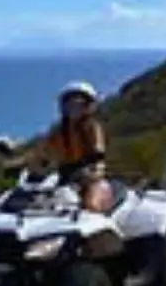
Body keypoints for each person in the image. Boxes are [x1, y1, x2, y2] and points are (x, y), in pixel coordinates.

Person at [25, 81, 114, 212]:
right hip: (64, 177)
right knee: (44, 205)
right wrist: (29, 167)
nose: (74, 107)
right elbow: (41, 152)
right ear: (63, 107)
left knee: (91, 206)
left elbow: (98, 151)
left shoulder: (92, 126)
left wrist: (93, 166)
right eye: (70, 104)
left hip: (90, 176)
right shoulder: (57, 131)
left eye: (79, 103)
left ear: (88, 105)